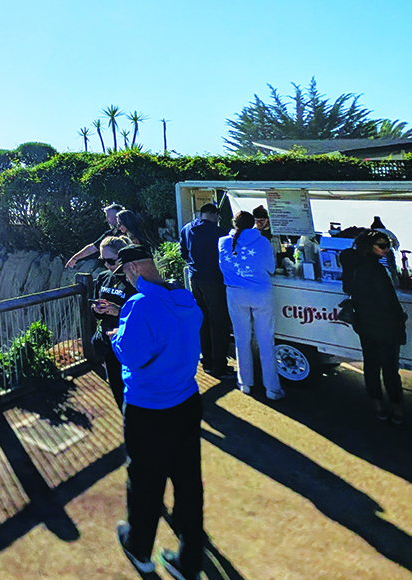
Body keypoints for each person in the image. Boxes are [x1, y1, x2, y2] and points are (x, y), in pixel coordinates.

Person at [110, 244, 204, 580]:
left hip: (149, 407)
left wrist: (115, 339)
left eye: (123, 271)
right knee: (188, 480)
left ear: (133, 268)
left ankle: (140, 549)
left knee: (146, 481)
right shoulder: (184, 299)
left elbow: (132, 355)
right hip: (186, 400)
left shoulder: (140, 305)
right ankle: (189, 559)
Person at [341, 231, 408, 424]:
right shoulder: (376, 269)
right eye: (381, 245)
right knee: (389, 368)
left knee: (371, 365)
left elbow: (347, 289)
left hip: (363, 322)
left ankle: (377, 405)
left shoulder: (351, 262)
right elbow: (387, 300)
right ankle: (397, 407)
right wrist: (399, 318)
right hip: (384, 324)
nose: (386, 249)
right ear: (369, 246)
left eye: (387, 246)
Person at [218, 211, 285, 400]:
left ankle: (245, 383)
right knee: (265, 341)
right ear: (253, 223)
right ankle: (272, 388)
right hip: (260, 294)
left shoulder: (222, 242)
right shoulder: (262, 242)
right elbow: (271, 268)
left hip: (234, 293)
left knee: (241, 339)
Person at [179, 203, 233, 378]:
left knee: (203, 320)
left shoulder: (187, 228)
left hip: (195, 279)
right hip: (215, 281)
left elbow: (183, 253)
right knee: (219, 323)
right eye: (217, 216)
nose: (218, 219)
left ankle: (207, 361)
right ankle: (219, 366)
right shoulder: (218, 232)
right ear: (212, 214)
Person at [91, 236, 138, 409]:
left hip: (130, 343)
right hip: (109, 342)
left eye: (110, 261)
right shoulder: (103, 277)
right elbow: (98, 313)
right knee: (117, 388)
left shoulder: (135, 280)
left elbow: (143, 315)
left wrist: (118, 311)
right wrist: (97, 310)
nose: (106, 266)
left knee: (135, 388)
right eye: (103, 261)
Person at [66, 203, 124, 268]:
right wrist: (75, 258)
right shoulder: (110, 234)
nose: (107, 220)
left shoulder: (131, 230)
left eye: (109, 217)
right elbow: (92, 248)